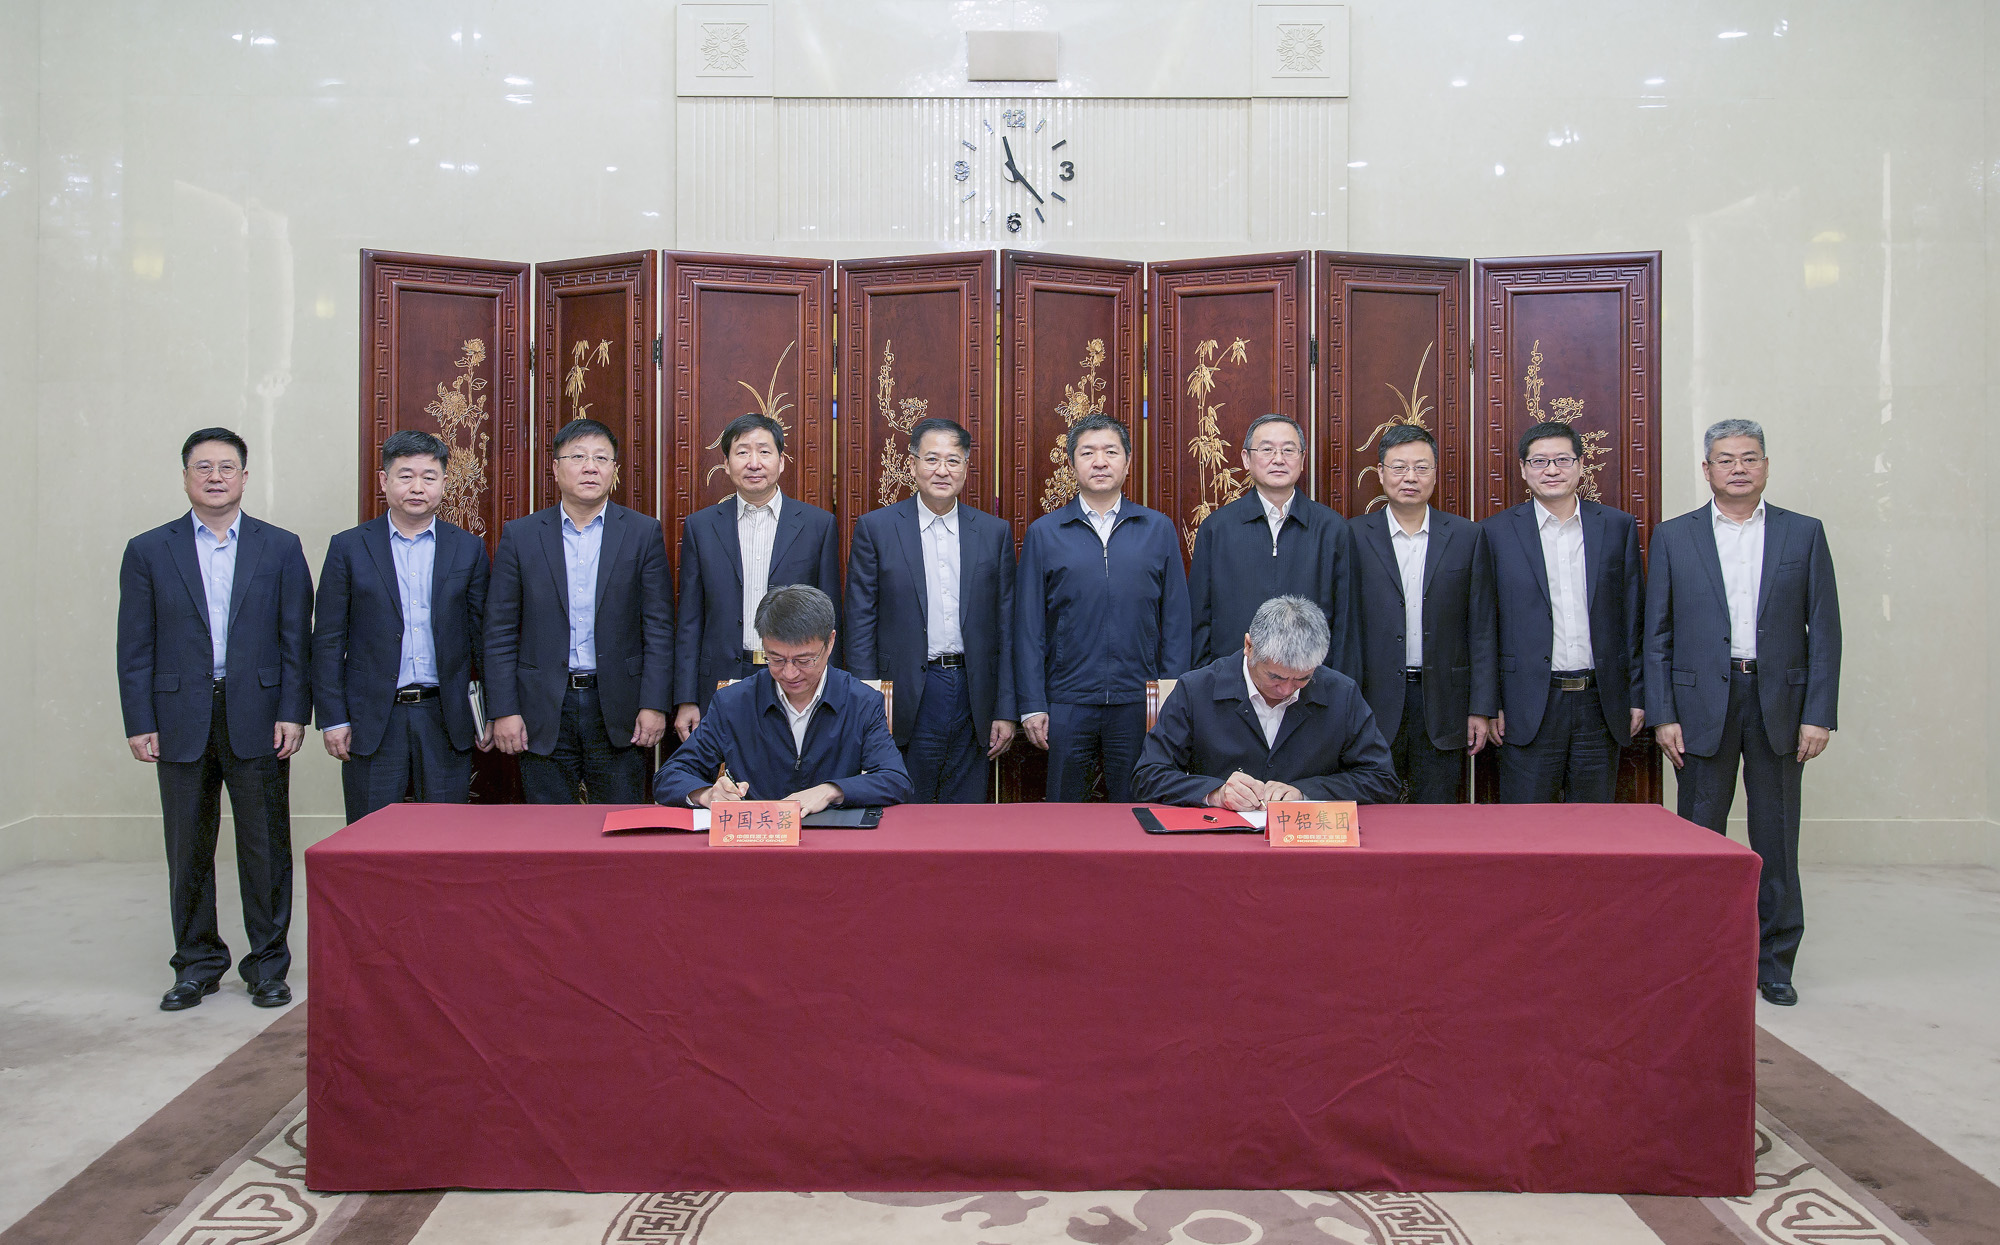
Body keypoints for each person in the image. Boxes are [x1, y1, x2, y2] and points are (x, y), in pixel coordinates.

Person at [1646, 419, 1840, 1007]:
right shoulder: (1674, 536)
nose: (1738, 468)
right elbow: (1657, 635)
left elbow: (1825, 631)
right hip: (1699, 704)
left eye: (1749, 458)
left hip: (1779, 702)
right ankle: (1699, 958)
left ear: (1766, 466)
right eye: (1725, 459)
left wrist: (1818, 714)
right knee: (1700, 835)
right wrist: (1663, 714)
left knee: (1775, 836)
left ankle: (1774, 961)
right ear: (1706, 469)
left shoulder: (1802, 533)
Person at [116, 428, 311, 1011]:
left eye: (227, 467)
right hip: (178, 715)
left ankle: (267, 965)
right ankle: (196, 964)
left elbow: (296, 640)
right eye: (203, 467)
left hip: (259, 712)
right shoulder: (149, 549)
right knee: (188, 847)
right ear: (185, 477)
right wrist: (139, 719)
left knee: (265, 846)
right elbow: (135, 646)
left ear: (244, 477)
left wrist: (293, 712)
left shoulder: (281, 547)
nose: (216, 476)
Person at [484, 418, 673, 804]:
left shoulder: (642, 533)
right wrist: (504, 709)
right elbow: (500, 631)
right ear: (555, 468)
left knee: (620, 825)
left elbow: (659, 628)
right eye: (578, 457)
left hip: (620, 707)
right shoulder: (521, 536)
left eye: (602, 458)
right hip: (541, 707)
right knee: (547, 828)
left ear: (614, 470)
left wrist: (654, 704)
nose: (591, 467)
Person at [312, 430, 491, 823]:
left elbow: (484, 640)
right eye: (405, 475)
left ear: (444, 482)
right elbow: (327, 640)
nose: (417, 487)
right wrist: (333, 718)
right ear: (384, 480)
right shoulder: (348, 547)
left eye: (429, 477)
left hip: (445, 715)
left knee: (444, 836)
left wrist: (490, 712)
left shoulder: (468, 549)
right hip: (373, 718)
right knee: (371, 838)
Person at [1015, 413, 1192, 802]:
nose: (1100, 462)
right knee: (1064, 809)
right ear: (1071, 463)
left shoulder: (1157, 528)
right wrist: (1031, 704)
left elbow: (1176, 620)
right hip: (1067, 699)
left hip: (1139, 699)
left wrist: (1170, 694)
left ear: (1127, 462)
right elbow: (1028, 628)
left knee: (1138, 805)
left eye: (1111, 452)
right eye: (1088, 452)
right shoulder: (1045, 533)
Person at [844, 417, 1016, 803]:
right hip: (903, 689)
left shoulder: (994, 533)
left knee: (967, 809)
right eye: (932, 459)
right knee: (904, 803)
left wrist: (1006, 708)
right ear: (912, 465)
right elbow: (860, 622)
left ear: (966, 467)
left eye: (953, 461)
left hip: (974, 690)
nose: (942, 470)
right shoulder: (876, 529)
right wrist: (868, 702)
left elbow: (1007, 626)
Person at [1480, 420, 1645, 803]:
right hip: (1526, 704)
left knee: (1593, 823)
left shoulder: (1616, 526)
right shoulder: (1494, 533)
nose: (1551, 470)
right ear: (1523, 470)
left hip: (1600, 702)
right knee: (1526, 825)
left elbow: (1633, 618)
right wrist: (1489, 704)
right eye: (1539, 461)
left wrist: (1637, 695)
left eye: (1562, 460)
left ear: (1581, 465)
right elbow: (1484, 626)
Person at [656, 585, 913, 810]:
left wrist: (831, 791)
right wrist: (707, 795)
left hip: (832, 836)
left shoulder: (861, 701)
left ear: (830, 642)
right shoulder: (733, 703)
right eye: (776, 659)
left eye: (804, 660)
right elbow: (670, 775)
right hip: (756, 836)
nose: (789, 673)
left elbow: (895, 779)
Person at [1133, 596, 1399, 808]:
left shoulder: (1341, 693)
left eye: (1302, 679)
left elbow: (1382, 779)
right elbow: (1148, 776)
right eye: (1275, 676)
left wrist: (1305, 793)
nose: (1286, 690)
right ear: (1249, 646)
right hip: (1219, 840)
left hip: (1308, 844)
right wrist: (1215, 793)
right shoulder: (1195, 690)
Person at [674, 413, 842, 742]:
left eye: (764, 451)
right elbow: (690, 619)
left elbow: (830, 616)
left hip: (796, 676)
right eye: (742, 452)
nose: (754, 463)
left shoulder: (818, 525)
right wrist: (686, 698)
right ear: (726, 464)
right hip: (720, 677)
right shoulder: (701, 527)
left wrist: (829, 690)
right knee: (726, 768)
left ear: (781, 462)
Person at [1352, 425, 1497, 802]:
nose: (1410, 477)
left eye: (1421, 467)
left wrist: (1481, 708)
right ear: (1380, 473)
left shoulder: (1467, 536)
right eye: (1399, 467)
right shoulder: (1352, 536)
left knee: (1438, 815)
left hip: (1446, 703)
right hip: (1372, 700)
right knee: (1373, 813)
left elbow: (1482, 628)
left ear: (1435, 473)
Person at [1187, 413, 1362, 680]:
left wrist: (1338, 688)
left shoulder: (1333, 529)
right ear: (1246, 459)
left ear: (1302, 459)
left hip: (1312, 684)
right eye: (1267, 449)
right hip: (1233, 683)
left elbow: (1347, 623)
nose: (1278, 459)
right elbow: (1199, 619)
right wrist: (1204, 682)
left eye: (1288, 450)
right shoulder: (1217, 528)